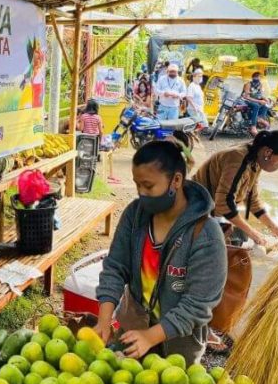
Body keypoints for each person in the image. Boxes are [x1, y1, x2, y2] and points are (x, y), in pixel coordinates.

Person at [95, 140, 227, 364]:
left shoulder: (205, 235)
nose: (141, 193)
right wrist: (104, 319)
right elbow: (116, 267)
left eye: (148, 186)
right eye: (137, 185)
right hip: (133, 329)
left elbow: (198, 303)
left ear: (176, 180)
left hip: (178, 345)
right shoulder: (135, 216)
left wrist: (151, 336)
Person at [192, 129, 278, 248]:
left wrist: (275, 229)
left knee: (236, 236)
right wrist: (252, 232)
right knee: (216, 245)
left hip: (210, 207)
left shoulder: (255, 158)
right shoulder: (237, 159)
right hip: (196, 206)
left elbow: (252, 199)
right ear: (268, 152)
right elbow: (224, 203)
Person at [78, 99, 120, 184]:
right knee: (94, 156)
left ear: (87, 107)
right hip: (95, 140)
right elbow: (101, 131)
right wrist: (100, 141)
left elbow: (81, 129)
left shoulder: (83, 116)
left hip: (85, 140)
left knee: (85, 156)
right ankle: (93, 173)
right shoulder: (98, 117)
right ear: (96, 108)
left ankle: (85, 172)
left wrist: (78, 123)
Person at [242, 72, 270, 136]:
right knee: (256, 105)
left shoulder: (260, 85)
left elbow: (260, 95)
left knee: (265, 105)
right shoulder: (248, 84)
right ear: (253, 77)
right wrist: (259, 101)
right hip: (246, 100)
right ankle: (253, 126)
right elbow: (246, 97)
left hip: (255, 100)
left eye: (259, 77)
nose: (258, 78)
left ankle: (260, 118)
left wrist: (266, 99)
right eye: (256, 77)